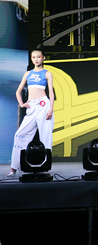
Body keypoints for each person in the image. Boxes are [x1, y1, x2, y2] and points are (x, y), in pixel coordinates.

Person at [8, 47, 54, 177]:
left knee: (45, 137)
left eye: (38, 57)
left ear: (43, 58)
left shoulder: (47, 73)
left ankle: (45, 167)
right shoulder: (28, 74)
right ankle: (14, 168)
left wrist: (51, 108)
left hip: (44, 105)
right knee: (19, 135)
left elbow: (51, 92)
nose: (36, 59)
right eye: (33, 57)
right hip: (31, 106)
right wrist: (22, 104)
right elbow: (18, 91)